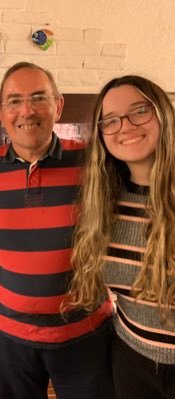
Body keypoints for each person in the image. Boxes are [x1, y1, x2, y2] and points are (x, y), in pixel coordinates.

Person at [0, 61, 114, 399]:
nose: (27, 110)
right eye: (14, 100)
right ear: (0, 111)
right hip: (7, 339)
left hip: (85, 336)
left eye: (39, 97)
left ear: (58, 105)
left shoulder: (94, 163)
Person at [67, 75, 175, 399]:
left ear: (163, 114)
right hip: (130, 359)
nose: (125, 126)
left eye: (139, 111)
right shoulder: (106, 201)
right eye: (110, 121)